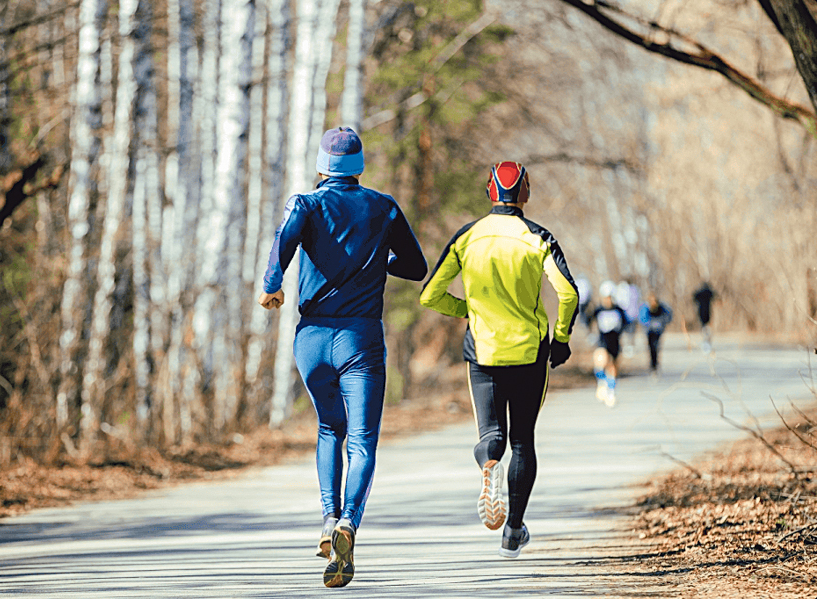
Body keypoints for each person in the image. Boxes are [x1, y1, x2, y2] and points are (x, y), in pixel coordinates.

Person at [259, 127, 427, 588]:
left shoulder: (306, 204)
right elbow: (416, 267)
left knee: (329, 427)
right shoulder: (384, 206)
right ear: (359, 168)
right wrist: (379, 264)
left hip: (311, 340)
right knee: (363, 439)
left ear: (321, 167)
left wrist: (272, 286)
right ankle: (348, 523)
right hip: (361, 340)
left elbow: (284, 243)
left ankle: (327, 516)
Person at [419, 161, 578, 559]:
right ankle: (513, 530)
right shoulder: (538, 238)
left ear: (490, 191)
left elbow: (430, 295)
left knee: (492, 435)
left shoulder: (466, 238)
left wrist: (469, 311)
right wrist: (560, 339)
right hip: (529, 353)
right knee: (523, 441)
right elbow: (569, 294)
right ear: (524, 193)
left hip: (483, 352)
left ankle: (489, 465)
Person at [592, 281, 628, 407]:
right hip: (602, 341)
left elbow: (626, 324)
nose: (608, 300)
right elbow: (588, 320)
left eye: (610, 297)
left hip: (615, 342)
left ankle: (611, 392)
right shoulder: (598, 310)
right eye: (605, 297)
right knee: (600, 359)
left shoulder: (619, 310)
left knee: (612, 367)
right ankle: (601, 382)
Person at [639, 291, 672, 376]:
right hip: (649, 331)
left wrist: (664, 323)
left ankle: (656, 364)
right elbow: (642, 318)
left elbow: (669, 314)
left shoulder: (662, 307)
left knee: (657, 346)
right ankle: (652, 365)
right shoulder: (646, 308)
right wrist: (648, 325)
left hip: (658, 331)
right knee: (651, 347)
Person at [692, 281, 715, 352]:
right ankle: (707, 340)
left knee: (703, 326)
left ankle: (705, 340)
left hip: (701, 312)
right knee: (707, 326)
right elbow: (714, 295)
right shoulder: (708, 292)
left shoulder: (700, 293)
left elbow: (694, 297)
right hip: (708, 312)